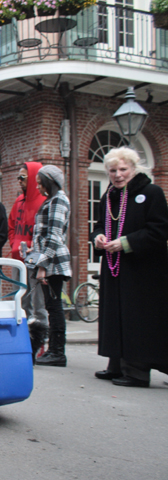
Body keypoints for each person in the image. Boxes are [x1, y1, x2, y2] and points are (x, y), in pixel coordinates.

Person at [92, 148, 168, 387]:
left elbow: (159, 230)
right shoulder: (108, 197)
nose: (118, 175)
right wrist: (98, 238)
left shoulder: (152, 192)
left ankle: (137, 371)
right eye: (112, 170)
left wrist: (126, 243)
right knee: (115, 315)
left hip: (142, 271)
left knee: (137, 317)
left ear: (134, 169)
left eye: (123, 169)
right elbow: (98, 226)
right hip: (115, 269)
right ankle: (116, 364)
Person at [31, 165, 72, 367]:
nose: (38, 187)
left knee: (54, 308)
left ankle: (57, 352)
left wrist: (42, 265)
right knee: (51, 306)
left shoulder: (58, 200)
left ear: (49, 181)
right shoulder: (52, 200)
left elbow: (54, 236)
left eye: (40, 182)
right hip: (50, 261)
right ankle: (54, 350)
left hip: (53, 262)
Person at [9, 162, 49, 358]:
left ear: (32, 179)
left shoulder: (43, 202)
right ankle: (25, 341)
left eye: (22, 177)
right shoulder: (18, 202)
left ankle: (41, 343)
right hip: (18, 259)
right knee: (21, 302)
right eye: (18, 177)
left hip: (35, 260)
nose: (19, 181)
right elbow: (11, 225)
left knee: (38, 302)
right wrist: (13, 244)